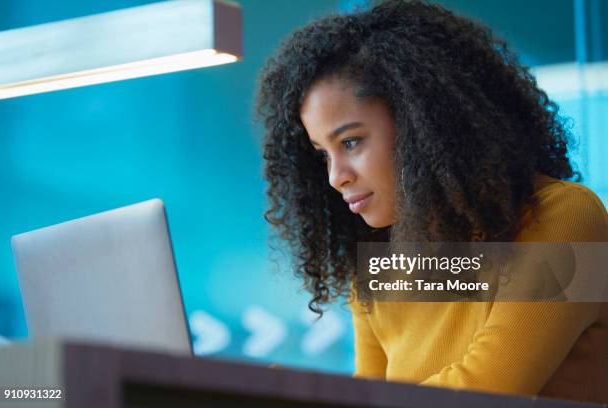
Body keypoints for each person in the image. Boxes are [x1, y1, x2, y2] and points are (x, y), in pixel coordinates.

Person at [255, 0, 608, 403]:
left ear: (421, 125)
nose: (336, 177)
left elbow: (487, 389)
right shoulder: (380, 256)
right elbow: (373, 391)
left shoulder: (566, 218)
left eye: (350, 142)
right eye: (323, 154)